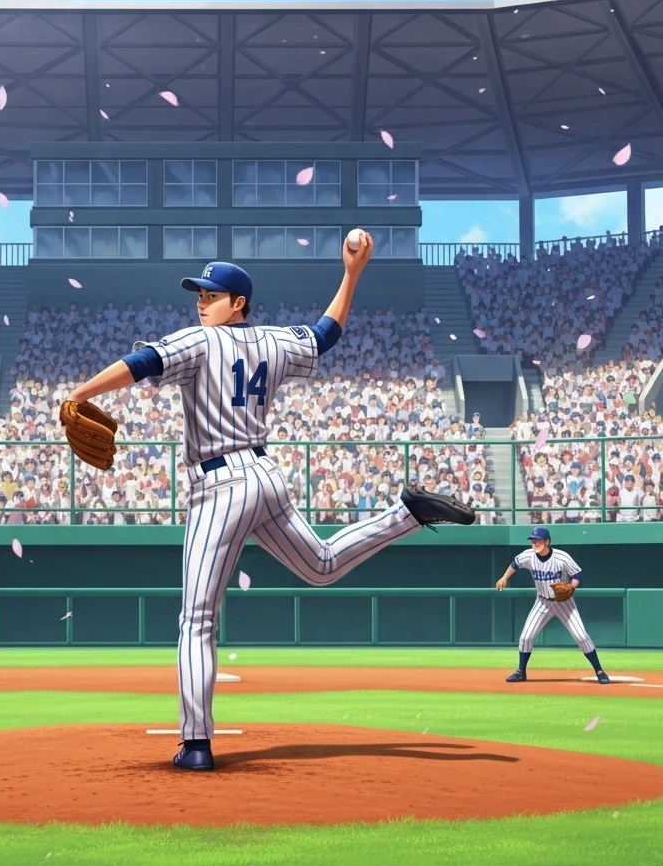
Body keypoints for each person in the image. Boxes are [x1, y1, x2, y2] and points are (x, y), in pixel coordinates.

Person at [63, 240, 476, 773]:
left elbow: (141, 364)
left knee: (196, 620)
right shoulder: (275, 342)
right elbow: (326, 334)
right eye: (199, 293)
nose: (201, 301)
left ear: (238, 303)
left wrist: (79, 391)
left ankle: (195, 744)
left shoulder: (199, 341)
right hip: (264, 476)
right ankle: (409, 515)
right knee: (322, 565)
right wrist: (352, 274)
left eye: (213, 294)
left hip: (219, 486)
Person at [494, 526, 610, 684]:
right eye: (533, 541)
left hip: (564, 603)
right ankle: (521, 671)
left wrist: (572, 587)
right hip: (542, 602)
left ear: (547, 541)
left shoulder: (562, 557)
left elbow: (577, 575)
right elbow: (514, 564)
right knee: (526, 637)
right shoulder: (528, 556)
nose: (535, 543)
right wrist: (504, 578)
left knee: (581, 636)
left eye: (538, 540)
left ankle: (599, 670)